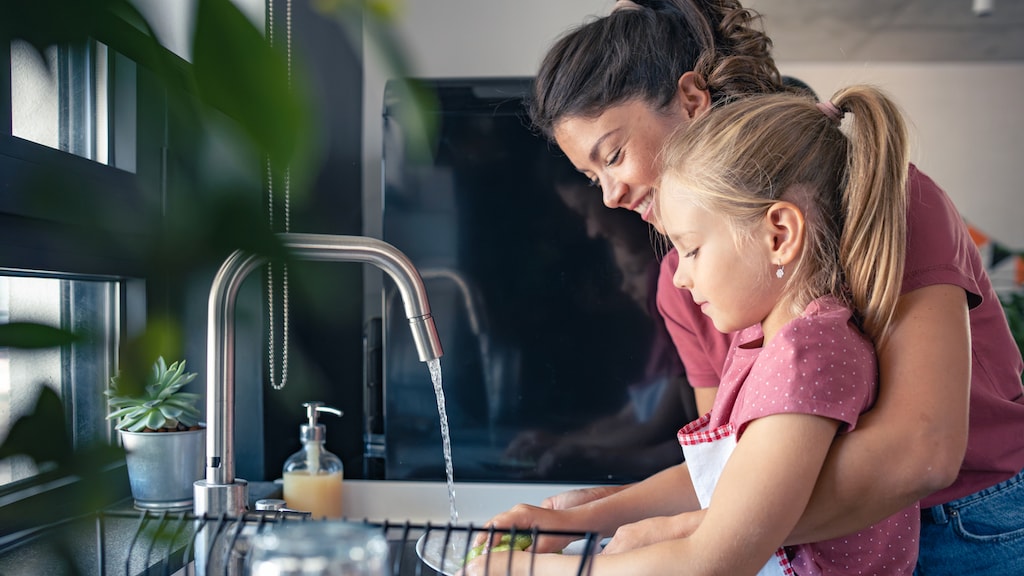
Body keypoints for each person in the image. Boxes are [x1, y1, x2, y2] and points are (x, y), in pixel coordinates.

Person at [483, 0, 1024, 573]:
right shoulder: (685, 283)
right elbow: (737, 466)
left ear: (692, 101)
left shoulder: (881, 201)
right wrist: (581, 515)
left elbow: (922, 452)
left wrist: (703, 534)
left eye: (613, 156)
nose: (610, 196)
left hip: (969, 523)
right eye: (593, 179)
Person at [466, 83, 920, 576]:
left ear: (779, 235)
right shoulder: (771, 343)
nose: (680, 276)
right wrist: (571, 521)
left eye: (692, 249)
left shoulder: (806, 354)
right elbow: (726, 483)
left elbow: (714, 559)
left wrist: (524, 570)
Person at [502, 164, 698, 481]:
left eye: (585, 211)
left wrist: (587, 453)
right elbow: (637, 416)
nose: (592, 229)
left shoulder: (671, 290)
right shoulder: (666, 331)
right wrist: (566, 443)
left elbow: (667, 430)